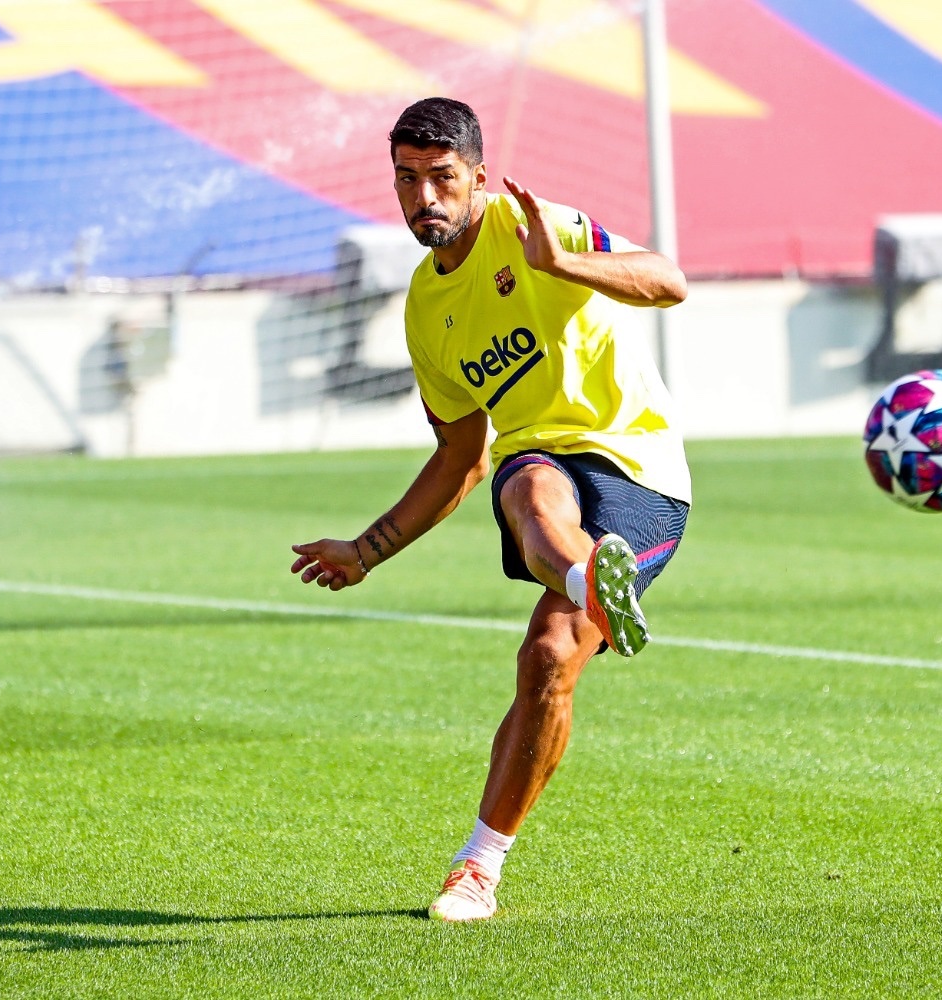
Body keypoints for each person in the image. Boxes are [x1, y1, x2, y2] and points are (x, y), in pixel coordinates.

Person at [289, 97, 691, 922]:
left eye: (441, 178)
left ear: (477, 174)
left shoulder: (536, 226)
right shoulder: (424, 311)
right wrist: (366, 551)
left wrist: (566, 265)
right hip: (542, 466)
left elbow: (668, 281)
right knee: (526, 483)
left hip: (642, 472)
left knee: (549, 657)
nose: (423, 199)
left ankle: (482, 862)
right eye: (407, 180)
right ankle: (588, 582)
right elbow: (460, 457)